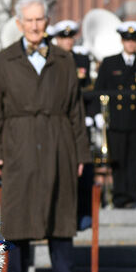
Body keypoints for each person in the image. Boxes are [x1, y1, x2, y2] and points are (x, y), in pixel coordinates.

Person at [0, 0, 91, 272]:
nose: (34, 25)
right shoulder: (4, 60)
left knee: (61, 207)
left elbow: (75, 111)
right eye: (29, 20)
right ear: (19, 23)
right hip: (18, 141)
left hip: (59, 140)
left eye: (40, 19)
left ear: (47, 22)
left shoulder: (64, 59)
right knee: (19, 211)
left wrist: (81, 152)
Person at [94, 21, 136, 208]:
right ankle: (120, 197)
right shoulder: (110, 63)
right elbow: (99, 90)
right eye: (127, 40)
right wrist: (97, 114)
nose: (131, 44)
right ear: (122, 41)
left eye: (134, 40)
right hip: (117, 121)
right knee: (118, 160)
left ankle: (133, 197)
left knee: (135, 160)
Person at [52, 19, 98, 229]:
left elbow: (87, 90)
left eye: (70, 37)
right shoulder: (51, 60)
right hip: (59, 120)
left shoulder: (81, 59)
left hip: (79, 121)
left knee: (84, 166)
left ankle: (83, 214)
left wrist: (91, 113)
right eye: (64, 37)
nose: (68, 41)